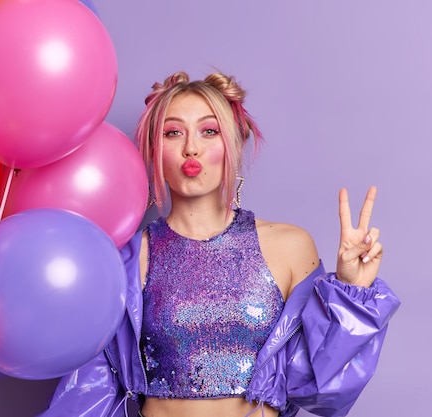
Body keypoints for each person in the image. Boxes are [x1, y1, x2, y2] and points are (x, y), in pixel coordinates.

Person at [38, 71, 400, 417]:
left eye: (209, 131)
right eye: (173, 133)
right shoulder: (126, 261)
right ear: (153, 149)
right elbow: (87, 394)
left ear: (233, 144)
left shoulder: (289, 246)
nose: (191, 148)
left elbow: (321, 387)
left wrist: (353, 289)